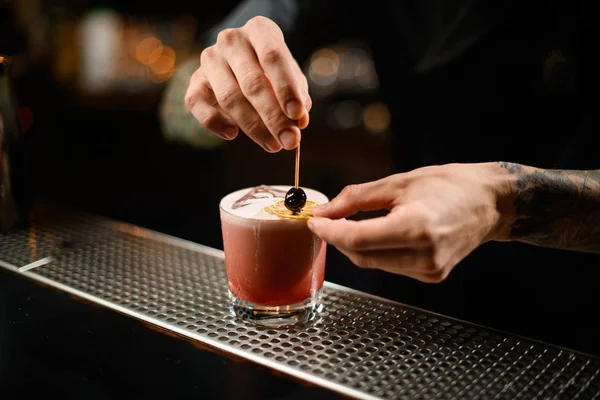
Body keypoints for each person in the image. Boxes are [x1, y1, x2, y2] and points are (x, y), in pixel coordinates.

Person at [161, 0, 599, 353]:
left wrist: (504, 202)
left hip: (574, 312)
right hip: (409, 296)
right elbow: (286, 9)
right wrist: (233, 52)